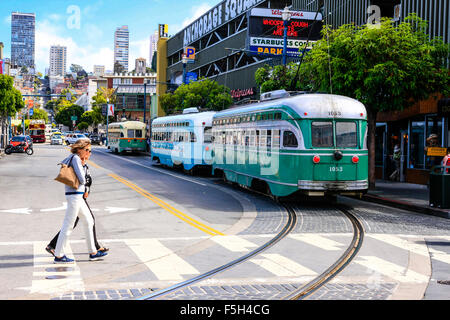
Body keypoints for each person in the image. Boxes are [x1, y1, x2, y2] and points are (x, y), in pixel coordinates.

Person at [52, 139, 108, 264]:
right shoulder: (76, 158)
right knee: (68, 224)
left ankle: (93, 252)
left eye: (89, 150)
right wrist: (83, 167)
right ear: (79, 149)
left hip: (77, 196)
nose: (88, 152)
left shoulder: (72, 157)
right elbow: (82, 179)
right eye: (87, 150)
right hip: (75, 195)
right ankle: (59, 255)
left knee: (89, 220)